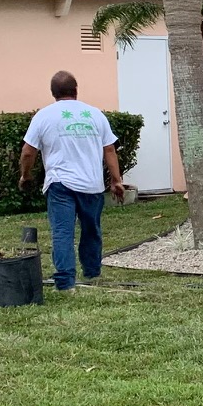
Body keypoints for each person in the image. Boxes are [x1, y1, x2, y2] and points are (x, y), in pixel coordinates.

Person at [20, 71, 125, 291]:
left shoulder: (43, 116)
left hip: (60, 185)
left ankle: (65, 282)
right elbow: (109, 149)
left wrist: (25, 175)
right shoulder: (95, 114)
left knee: (62, 232)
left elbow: (28, 152)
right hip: (92, 184)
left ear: (53, 93)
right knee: (91, 230)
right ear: (76, 90)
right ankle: (92, 272)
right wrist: (116, 180)